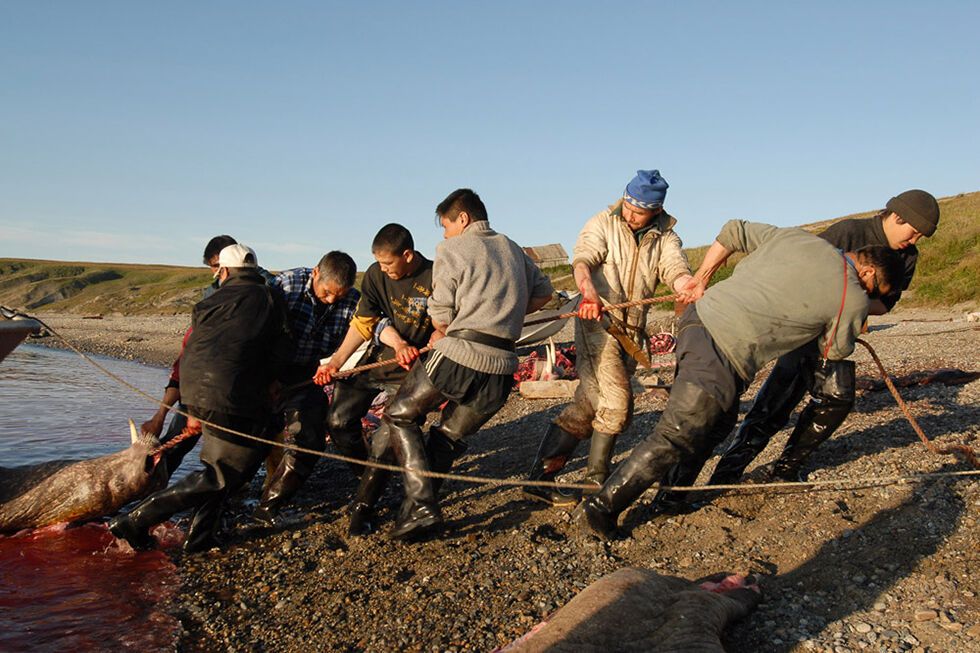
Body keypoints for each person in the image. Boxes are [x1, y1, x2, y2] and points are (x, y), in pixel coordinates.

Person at [574, 220, 905, 540]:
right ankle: (602, 506)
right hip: (721, 348)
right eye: (874, 290)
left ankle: (671, 499)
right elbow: (832, 354)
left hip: (697, 321)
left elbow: (733, 230)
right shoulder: (854, 296)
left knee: (717, 424)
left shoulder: (798, 238)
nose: (869, 298)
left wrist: (701, 278)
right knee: (678, 433)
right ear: (867, 273)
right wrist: (857, 314)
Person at [652, 189, 942, 512]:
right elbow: (803, 269)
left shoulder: (907, 258)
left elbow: (885, 305)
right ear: (896, 217)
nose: (914, 240)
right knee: (774, 404)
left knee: (839, 398)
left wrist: (853, 311)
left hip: (836, 335)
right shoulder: (849, 232)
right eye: (913, 231)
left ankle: (787, 465)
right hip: (798, 331)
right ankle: (727, 473)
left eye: (920, 237)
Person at [381, 188, 554, 540]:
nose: (444, 235)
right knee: (447, 436)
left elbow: (441, 311)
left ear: (462, 218)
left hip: (460, 354)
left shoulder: (452, 248)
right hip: (503, 366)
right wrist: (504, 315)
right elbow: (544, 293)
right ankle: (415, 514)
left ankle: (423, 504)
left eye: (446, 226)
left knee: (400, 413)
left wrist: (453, 326)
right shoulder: (513, 248)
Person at [523, 170, 694, 507]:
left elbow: (674, 268)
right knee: (616, 405)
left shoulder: (666, 237)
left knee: (589, 405)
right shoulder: (602, 223)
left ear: (655, 211)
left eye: (639, 211)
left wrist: (685, 283)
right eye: (628, 206)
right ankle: (595, 485)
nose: (630, 214)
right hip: (596, 325)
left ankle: (538, 480)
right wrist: (588, 293)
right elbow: (583, 260)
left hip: (631, 332)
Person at [109, 244, 291, 553]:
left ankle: (199, 538)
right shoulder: (270, 297)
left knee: (221, 467)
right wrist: (275, 380)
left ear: (223, 272)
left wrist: (191, 405)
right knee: (224, 473)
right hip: (236, 394)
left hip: (201, 389)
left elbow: (191, 352)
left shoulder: (207, 303)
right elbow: (282, 346)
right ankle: (135, 520)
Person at [314, 223, 435, 536]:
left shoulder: (436, 276)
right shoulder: (375, 275)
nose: (383, 269)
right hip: (374, 364)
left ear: (407, 255)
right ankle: (368, 476)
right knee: (338, 421)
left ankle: (363, 506)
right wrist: (336, 363)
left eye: (388, 263)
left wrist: (439, 335)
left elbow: (448, 322)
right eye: (379, 263)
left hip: (412, 374)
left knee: (385, 441)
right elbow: (364, 324)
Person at [251, 251, 360, 524]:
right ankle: (228, 493)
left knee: (309, 439)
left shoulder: (353, 300)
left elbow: (372, 326)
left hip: (309, 371)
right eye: (327, 293)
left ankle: (269, 505)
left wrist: (333, 365)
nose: (333, 300)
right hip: (266, 367)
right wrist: (267, 379)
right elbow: (257, 331)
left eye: (340, 295)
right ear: (315, 273)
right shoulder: (286, 286)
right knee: (252, 437)